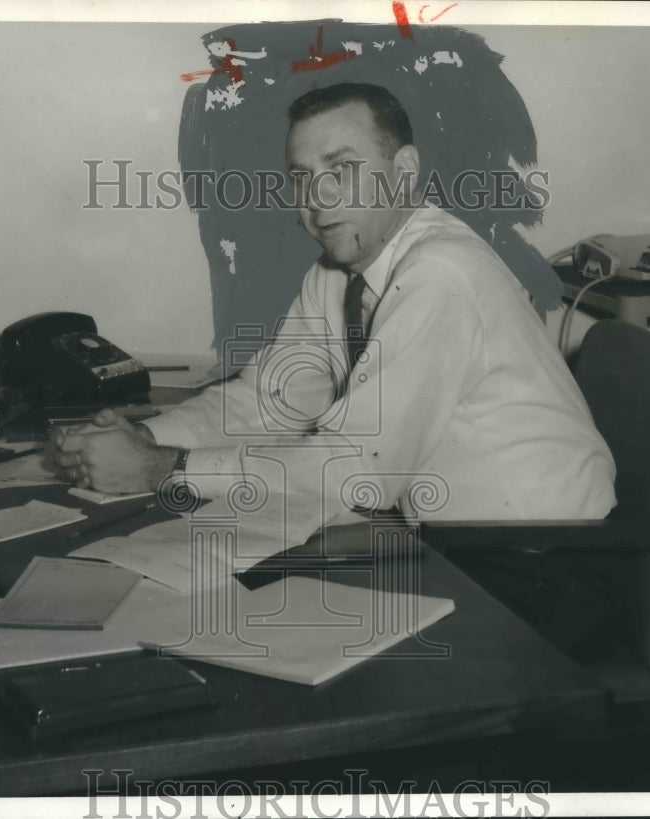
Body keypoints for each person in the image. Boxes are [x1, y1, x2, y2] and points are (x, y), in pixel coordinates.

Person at [49, 82, 616, 528]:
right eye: (303, 178)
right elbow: (266, 401)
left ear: (406, 172)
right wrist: (148, 439)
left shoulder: (441, 271)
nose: (318, 200)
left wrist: (156, 471)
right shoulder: (338, 272)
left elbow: (360, 474)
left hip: (544, 556)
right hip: (450, 539)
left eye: (342, 170)